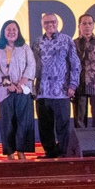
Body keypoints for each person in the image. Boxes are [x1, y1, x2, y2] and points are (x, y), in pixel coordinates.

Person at [32, 13, 81, 158]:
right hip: (42, 91)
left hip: (62, 90)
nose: (50, 25)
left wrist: (73, 84)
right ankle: (50, 152)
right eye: (46, 22)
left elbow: (75, 64)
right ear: (42, 25)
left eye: (52, 22)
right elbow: (32, 66)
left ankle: (64, 153)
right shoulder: (37, 42)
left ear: (57, 23)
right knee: (44, 125)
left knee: (63, 125)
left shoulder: (66, 40)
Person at [0, 20, 36, 160]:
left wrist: (21, 83)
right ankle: (10, 152)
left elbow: (31, 65)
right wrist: (8, 85)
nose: (11, 32)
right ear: (3, 32)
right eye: (8, 29)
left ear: (18, 32)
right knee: (7, 123)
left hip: (23, 90)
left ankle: (21, 151)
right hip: (5, 92)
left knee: (23, 121)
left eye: (14, 29)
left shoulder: (25, 48)